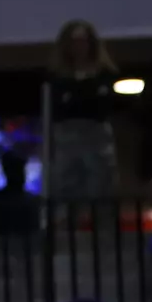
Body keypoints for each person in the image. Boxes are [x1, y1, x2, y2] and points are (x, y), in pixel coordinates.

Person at [46, 19, 120, 201]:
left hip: (97, 139)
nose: (79, 47)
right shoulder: (56, 76)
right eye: (74, 42)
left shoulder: (105, 74)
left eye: (83, 41)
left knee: (100, 186)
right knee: (67, 186)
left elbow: (105, 106)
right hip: (67, 140)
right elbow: (58, 108)